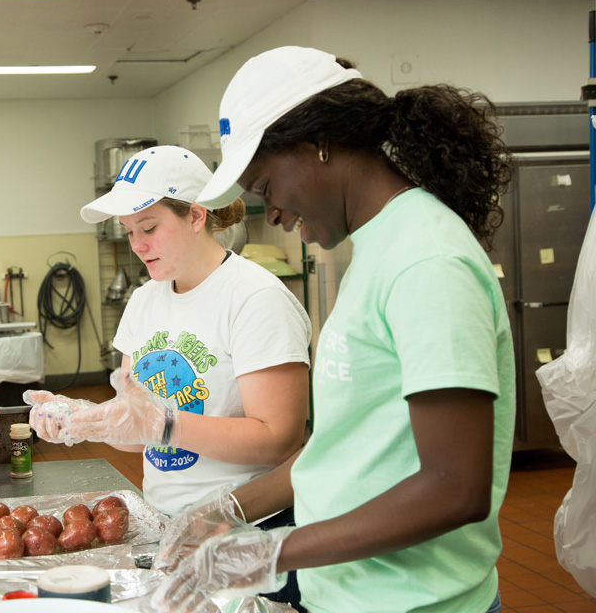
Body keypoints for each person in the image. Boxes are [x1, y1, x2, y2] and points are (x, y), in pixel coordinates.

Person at [151, 46, 516, 613]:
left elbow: (455, 487)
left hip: (417, 602)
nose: (269, 214)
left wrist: (272, 553)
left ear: (317, 143)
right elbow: (344, 450)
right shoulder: (377, 248)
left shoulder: (426, 260)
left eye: (267, 186)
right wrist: (228, 509)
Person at [25, 144, 312, 605]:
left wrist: (166, 423)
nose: (136, 244)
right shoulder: (144, 302)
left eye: (149, 227)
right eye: (128, 231)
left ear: (197, 216)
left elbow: (279, 438)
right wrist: (89, 420)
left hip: (251, 531)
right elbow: (138, 433)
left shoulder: (255, 299)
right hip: (165, 527)